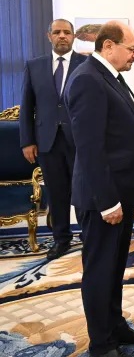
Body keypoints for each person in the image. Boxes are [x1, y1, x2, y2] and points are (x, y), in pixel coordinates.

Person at [64, 21, 134, 357]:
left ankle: (115, 327)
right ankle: (101, 344)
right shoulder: (87, 80)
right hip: (102, 196)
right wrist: (107, 202)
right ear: (108, 46)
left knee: (115, 267)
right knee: (100, 269)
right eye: (132, 49)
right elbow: (89, 148)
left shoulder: (109, 76)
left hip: (120, 191)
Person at [19, 19, 87, 260]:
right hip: (47, 140)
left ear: (73, 36)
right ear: (49, 36)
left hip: (80, 140)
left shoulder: (86, 64)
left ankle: (88, 235)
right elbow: (27, 106)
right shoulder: (34, 66)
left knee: (84, 189)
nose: (62, 36)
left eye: (67, 32)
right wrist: (27, 141)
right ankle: (61, 239)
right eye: (57, 32)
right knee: (56, 193)